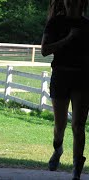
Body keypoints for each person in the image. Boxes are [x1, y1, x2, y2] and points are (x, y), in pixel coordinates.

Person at [41, 0, 89, 179]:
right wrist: (68, 39)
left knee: (78, 125)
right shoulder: (55, 23)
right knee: (60, 124)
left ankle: (77, 168)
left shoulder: (87, 25)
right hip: (60, 76)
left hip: (83, 79)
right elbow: (44, 50)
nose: (72, 2)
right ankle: (58, 149)